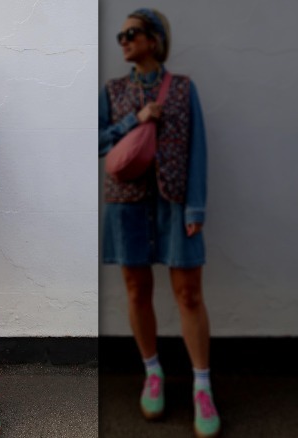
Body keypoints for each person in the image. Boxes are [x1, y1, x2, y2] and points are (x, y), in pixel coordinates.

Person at [99, 8, 219, 438]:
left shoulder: (183, 89)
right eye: (121, 35)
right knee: (137, 288)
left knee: (188, 293)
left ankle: (202, 385)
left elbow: (198, 150)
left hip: (176, 203)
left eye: (132, 33)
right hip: (126, 205)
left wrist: (196, 209)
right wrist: (136, 119)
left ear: (154, 39)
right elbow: (94, 141)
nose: (124, 40)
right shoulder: (112, 91)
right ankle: (153, 372)